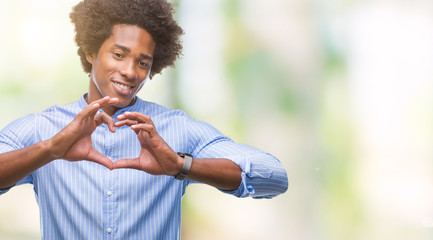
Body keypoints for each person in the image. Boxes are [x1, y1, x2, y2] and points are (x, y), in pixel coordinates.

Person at [0, 0, 288, 239]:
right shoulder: (44, 129)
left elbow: (274, 178)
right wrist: (49, 150)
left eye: (143, 62)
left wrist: (181, 166)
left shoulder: (175, 130)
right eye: (118, 54)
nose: (130, 71)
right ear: (91, 51)